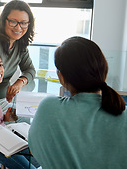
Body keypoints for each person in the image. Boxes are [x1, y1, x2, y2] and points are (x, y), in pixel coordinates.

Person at [28, 37, 127, 168]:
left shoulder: (49, 108)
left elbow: (34, 151)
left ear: (60, 77)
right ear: (105, 70)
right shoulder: (123, 115)